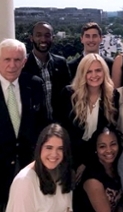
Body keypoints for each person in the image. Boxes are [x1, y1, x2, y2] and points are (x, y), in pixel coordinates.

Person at [0, 39, 48, 210]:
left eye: (17, 60)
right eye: (7, 59)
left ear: (24, 61)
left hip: (30, 166)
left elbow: (43, 125)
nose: (12, 65)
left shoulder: (34, 84)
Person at [55, 54, 119, 183]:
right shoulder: (69, 94)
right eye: (89, 71)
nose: (94, 75)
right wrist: (73, 165)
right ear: (82, 74)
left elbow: (106, 131)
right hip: (70, 156)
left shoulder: (112, 95)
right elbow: (64, 133)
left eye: (98, 70)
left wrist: (86, 163)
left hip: (96, 156)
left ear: (104, 72)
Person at [6, 123, 73, 212]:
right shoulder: (25, 181)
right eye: (49, 148)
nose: (54, 154)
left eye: (60, 148)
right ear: (39, 148)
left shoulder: (64, 174)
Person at [22, 21, 71, 120]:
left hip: (59, 126)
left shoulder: (61, 63)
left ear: (52, 38)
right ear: (31, 38)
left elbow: (68, 95)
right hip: (34, 130)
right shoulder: (23, 66)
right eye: (38, 35)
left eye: (47, 35)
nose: (43, 39)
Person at [73, 126, 123, 212]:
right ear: (95, 149)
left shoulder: (119, 168)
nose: (109, 150)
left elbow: (120, 205)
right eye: (102, 146)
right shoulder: (92, 179)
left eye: (113, 144)